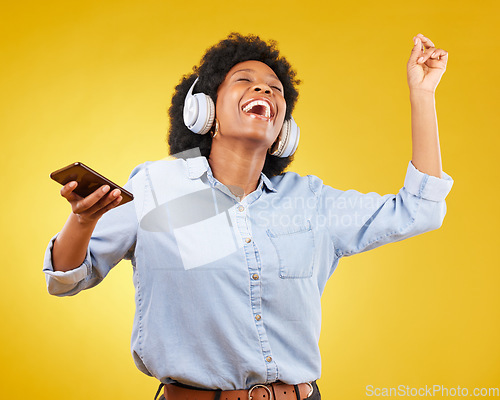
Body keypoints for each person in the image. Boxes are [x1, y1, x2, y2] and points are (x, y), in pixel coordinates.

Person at [43, 33, 454, 400]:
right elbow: (65, 279)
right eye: (244, 80)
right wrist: (82, 221)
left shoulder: (309, 199)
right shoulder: (159, 186)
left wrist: (423, 95)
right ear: (205, 111)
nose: (263, 88)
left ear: (283, 129)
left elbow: (420, 210)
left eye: (275, 89)